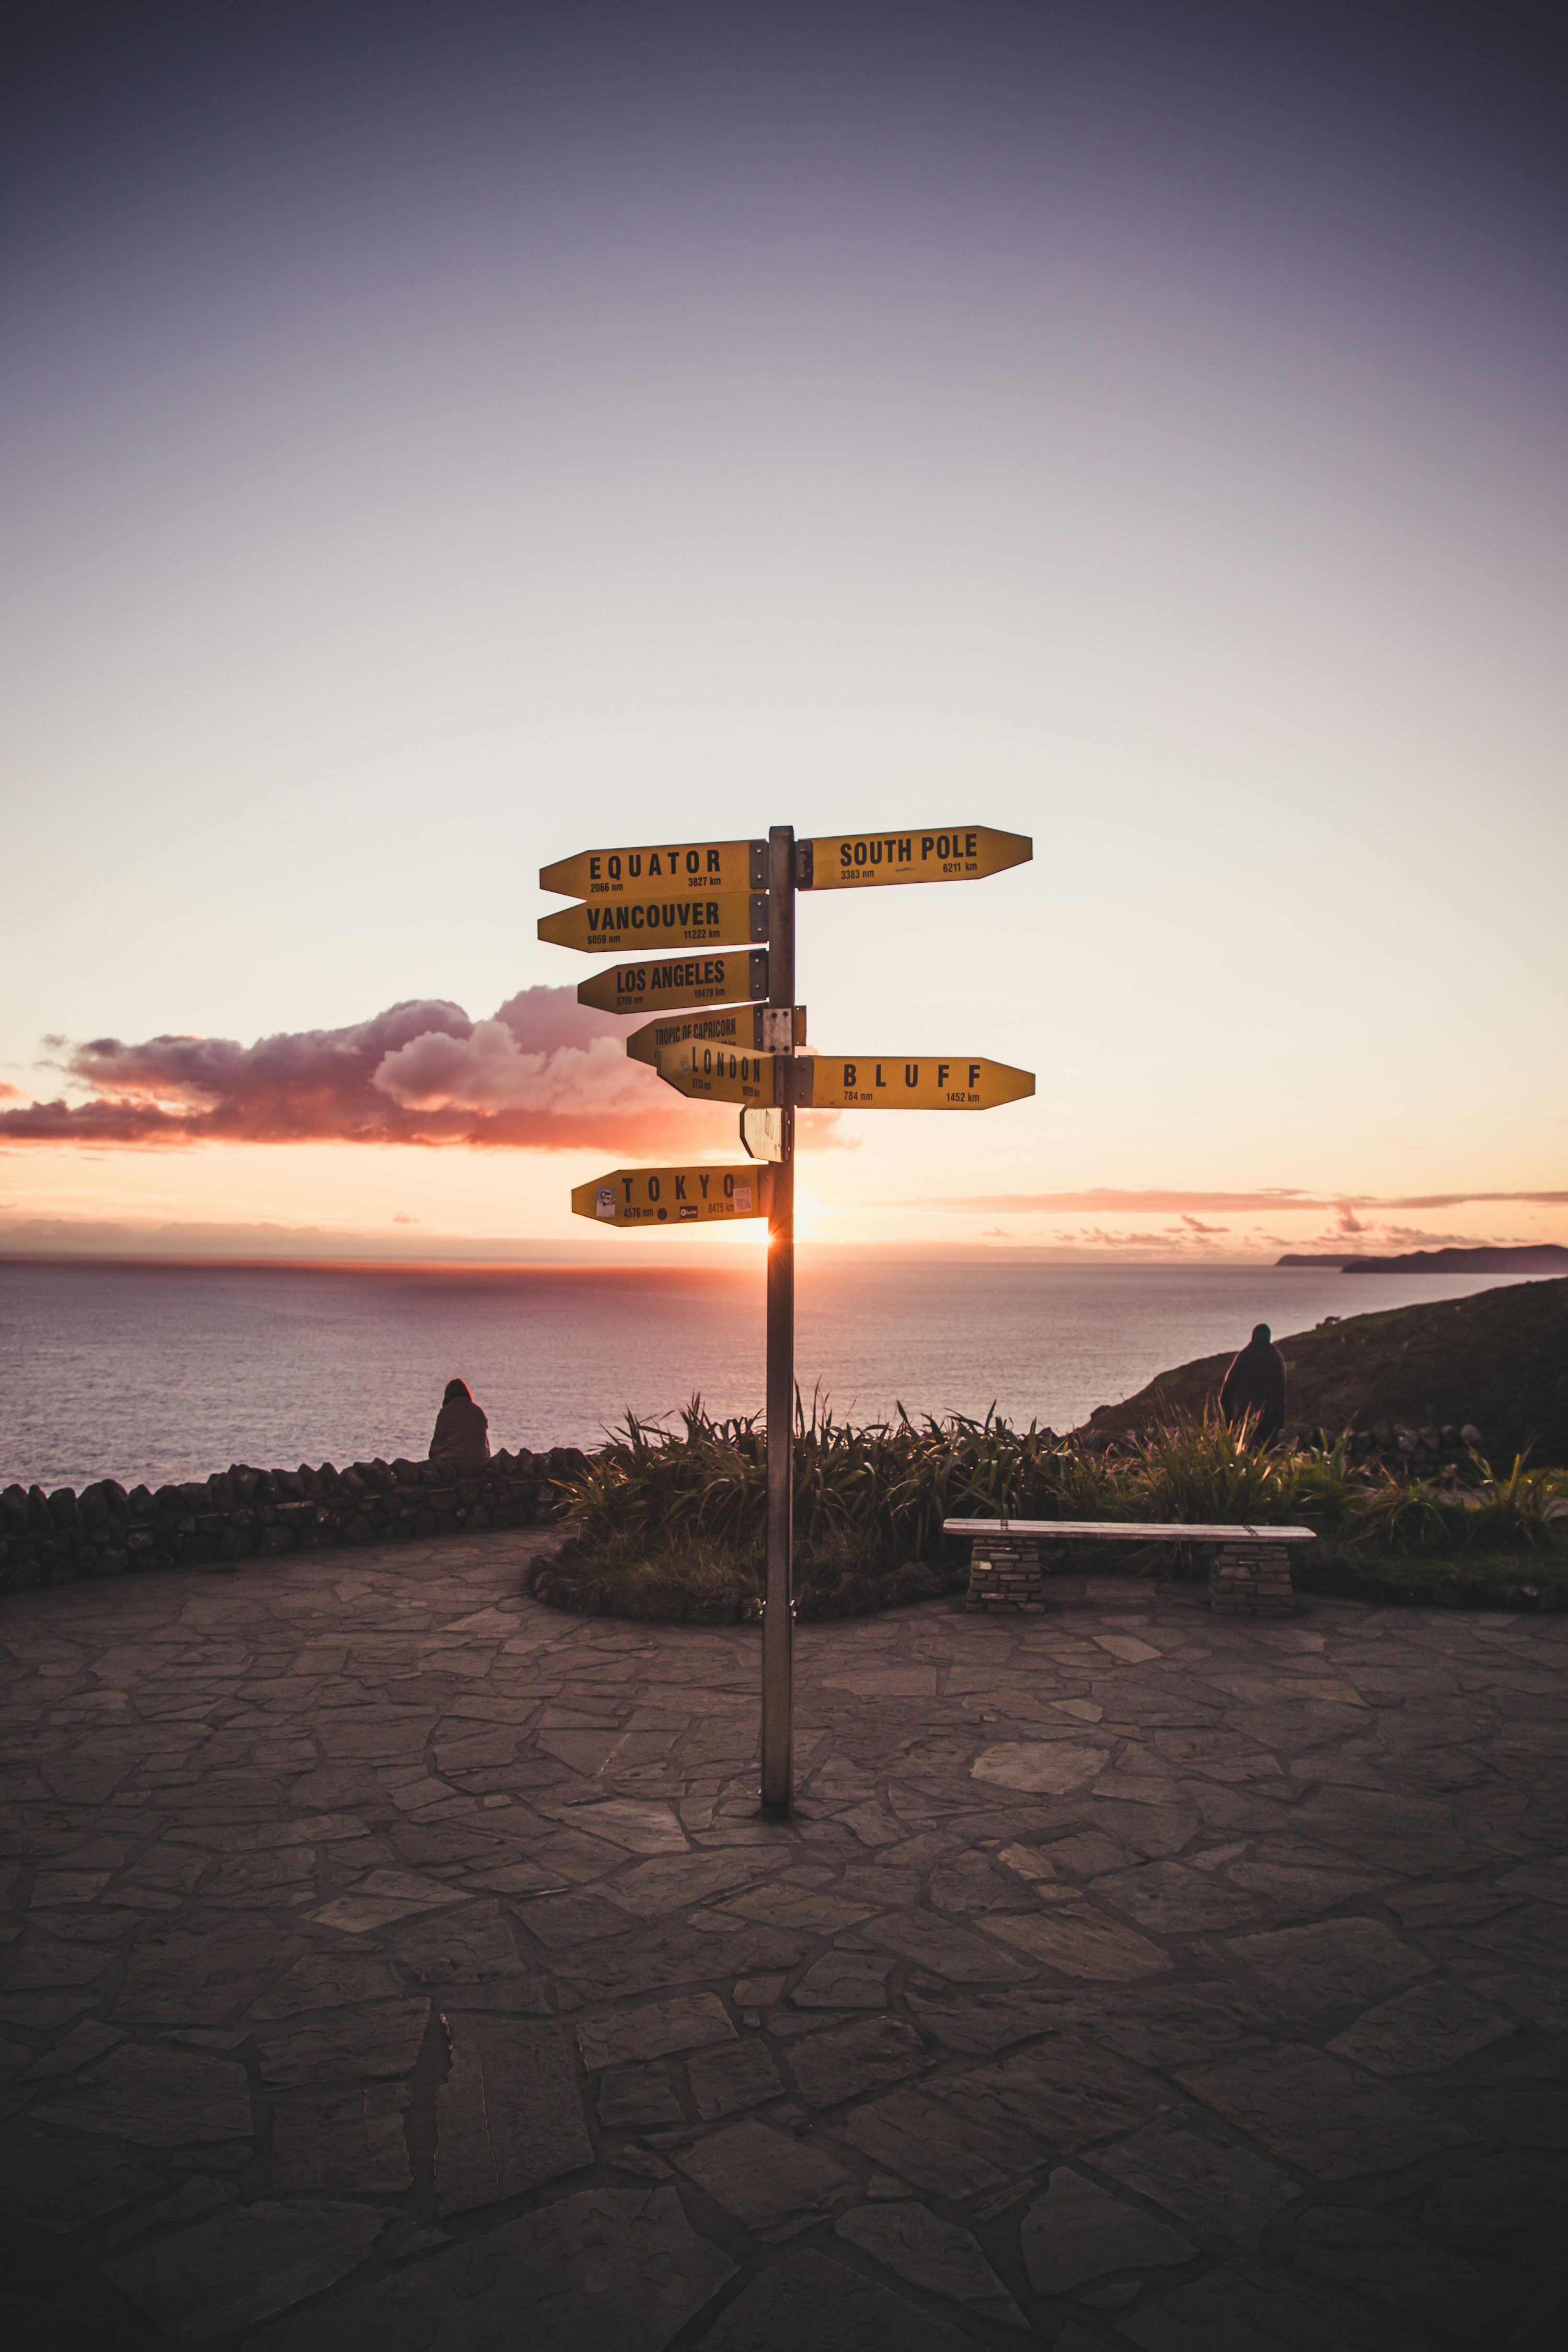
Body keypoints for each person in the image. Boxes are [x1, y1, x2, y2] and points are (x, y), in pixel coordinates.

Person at [1220, 1323, 1287, 1444]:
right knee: (1269, 1449)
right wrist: (1280, 1417)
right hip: (1271, 1415)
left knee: (1248, 1448)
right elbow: (1281, 1389)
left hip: (1247, 1413)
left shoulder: (1244, 1356)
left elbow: (1229, 1385)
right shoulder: (1276, 1357)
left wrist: (1226, 1415)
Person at [429, 1377, 491, 1470]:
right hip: (479, 1465)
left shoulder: (446, 1413)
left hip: (453, 1464)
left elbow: (437, 1442)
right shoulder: (478, 1411)